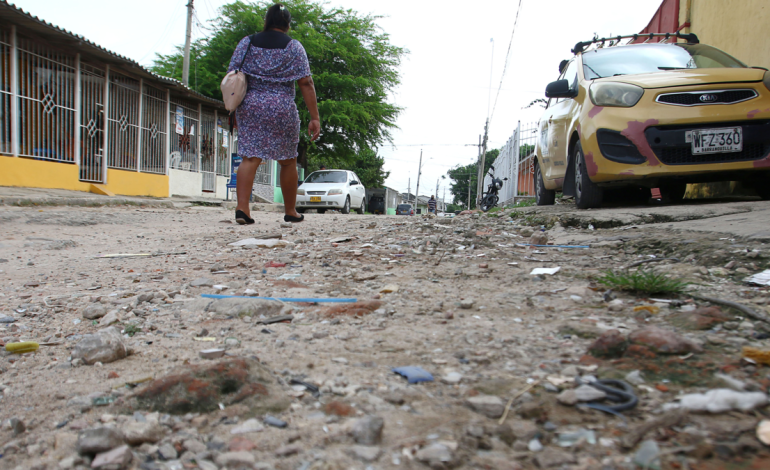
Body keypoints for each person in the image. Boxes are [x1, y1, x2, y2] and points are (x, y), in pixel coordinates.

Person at [228, 3, 320, 225]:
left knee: (250, 157)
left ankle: (242, 208)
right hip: (282, 107)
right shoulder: (294, 47)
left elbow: (233, 75)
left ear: (266, 21)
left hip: (251, 106)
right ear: (288, 25)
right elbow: (306, 82)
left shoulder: (247, 43)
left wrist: (233, 108)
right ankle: (290, 211)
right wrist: (314, 116)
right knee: (288, 161)